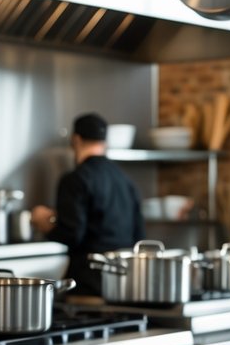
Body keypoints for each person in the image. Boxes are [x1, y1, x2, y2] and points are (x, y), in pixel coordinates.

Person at [31, 113, 145, 292]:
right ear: (104, 143)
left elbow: (72, 234)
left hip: (88, 281)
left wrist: (45, 224)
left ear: (75, 140)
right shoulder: (125, 180)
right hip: (124, 283)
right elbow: (139, 234)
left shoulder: (75, 180)